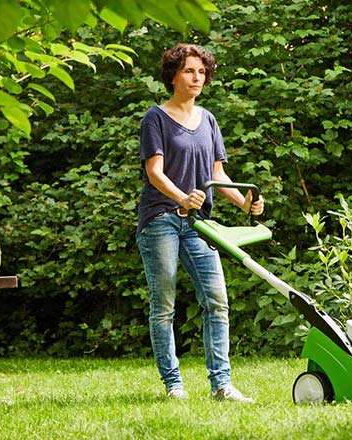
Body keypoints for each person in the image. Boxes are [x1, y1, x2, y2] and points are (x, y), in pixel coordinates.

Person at [136, 43, 264, 402]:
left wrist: (246, 203)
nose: (197, 78)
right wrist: (182, 198)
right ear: (173, 76)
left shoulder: (208, 120)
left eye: (202, 72)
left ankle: (221, 385)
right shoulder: (155, 118)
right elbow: (155, 173)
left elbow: (217, 174)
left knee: (217, 300)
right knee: (164, 305)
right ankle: (173, 384)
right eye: (189, 71)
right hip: (161, 219)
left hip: (199, 224)